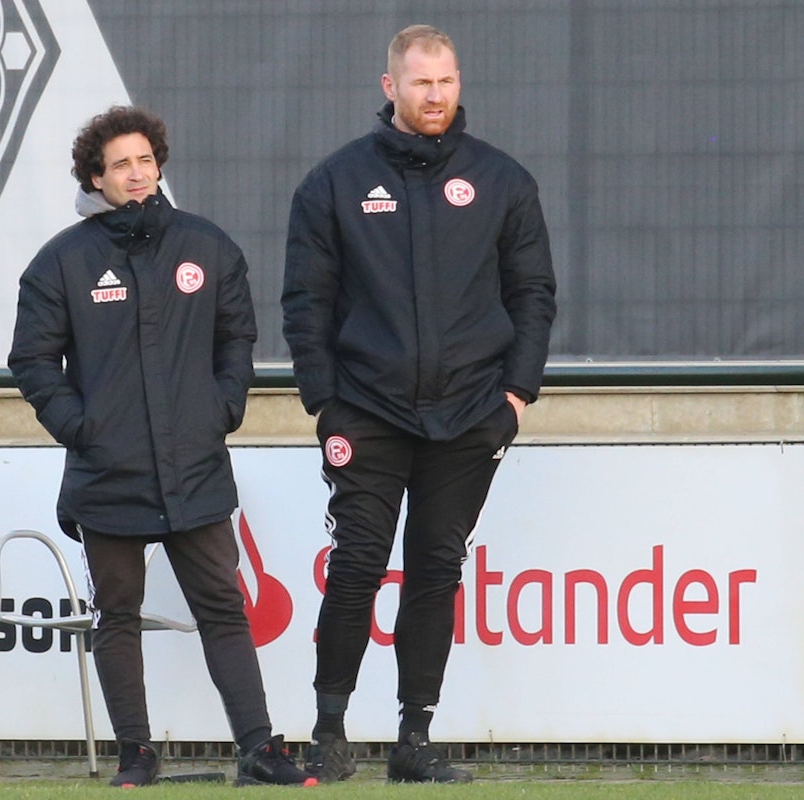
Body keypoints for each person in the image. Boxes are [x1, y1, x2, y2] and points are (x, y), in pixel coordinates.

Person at [9, 105, 316, 788]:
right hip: (106, 474)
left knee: (223, 608)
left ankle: (258, 749)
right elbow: (31, 361)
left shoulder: (206, 247)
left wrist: (221, 407)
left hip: (194, 466)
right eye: (121, 164)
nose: (137, 173)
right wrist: (83, 429)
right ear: (96, 176)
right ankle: (135, 755)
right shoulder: (62, 261)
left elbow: (236, 338)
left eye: (145, 160)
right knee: (116, 616)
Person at [282, 24, 557, 784]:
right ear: (389, 88)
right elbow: (306, 303)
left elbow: (532, 295)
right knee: (358, 563)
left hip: (470, 414)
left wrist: (514, 397)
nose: (433, 95)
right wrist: (324, 404)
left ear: (458, 83)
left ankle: (414, 741)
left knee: (436, 570)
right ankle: (328, 732)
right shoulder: (334, 183)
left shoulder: (502, 181)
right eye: (419, 83)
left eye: (445, 81)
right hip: (366, 411)